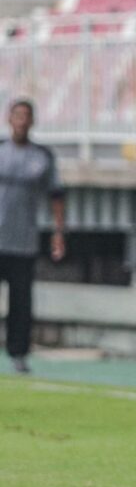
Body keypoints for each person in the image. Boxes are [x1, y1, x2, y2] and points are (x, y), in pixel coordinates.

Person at [0, 99, 66, 374]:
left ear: (32, 121)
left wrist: (58, 233)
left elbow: (56, 196)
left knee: (21, 303)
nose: (22, 121)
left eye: (27, 116)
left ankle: (18, 354)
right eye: (17, 115)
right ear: (9, 118)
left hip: (23, 241)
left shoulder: (42, 156)